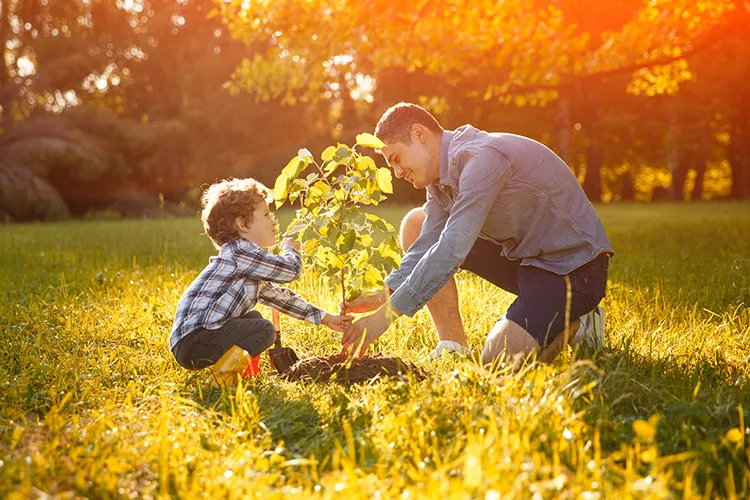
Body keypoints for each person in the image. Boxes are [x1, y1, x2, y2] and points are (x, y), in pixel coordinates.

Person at [341, 103, 613, 366]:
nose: (398, 172)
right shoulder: (438, 181)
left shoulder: (481, 158)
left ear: (419, 134)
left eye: (397, 159)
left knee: (499, 361)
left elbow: (452, 248)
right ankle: (453, 346)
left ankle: (581, 325)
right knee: (417, 223)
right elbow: (426, 243)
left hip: (573, 269)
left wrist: (385, 317)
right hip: (526, 259)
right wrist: (384, 294)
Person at [170, 177, 352, 372]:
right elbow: (291, 270)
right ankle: (224, 377)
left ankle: (243, 372)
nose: (273, 221)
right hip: (196, 339)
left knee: (254, 319)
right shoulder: (241, 253)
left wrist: (327, 319)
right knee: (264, 330)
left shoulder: (245, 263)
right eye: (266, 214)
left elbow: (282, 299)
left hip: (192, 341)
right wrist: (290, 249)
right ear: (243, 224)